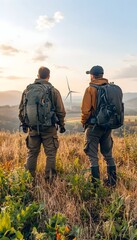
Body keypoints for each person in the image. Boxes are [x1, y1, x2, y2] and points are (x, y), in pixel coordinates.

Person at [19, 66, 66, 182]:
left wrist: (24, 123)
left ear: (38, 75)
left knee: (32, 153)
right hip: (49, 128)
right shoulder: (53, 91)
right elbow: (61, 110)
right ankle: (49, 180)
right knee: (50, 154)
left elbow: (21, 109)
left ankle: (28, 179)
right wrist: (62, 124)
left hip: (33, 127)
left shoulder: (27, 90)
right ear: (48, 76)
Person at [81, 65, 117, 187]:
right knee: (108, 155)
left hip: (93, 127)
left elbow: (85, 111)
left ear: (92, 75)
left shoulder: (90, 89)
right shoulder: (110, 88)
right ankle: (112, 182)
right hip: (107, 127)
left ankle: (95, 185)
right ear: (102, 75)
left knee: (93, 156)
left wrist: (84, 122)